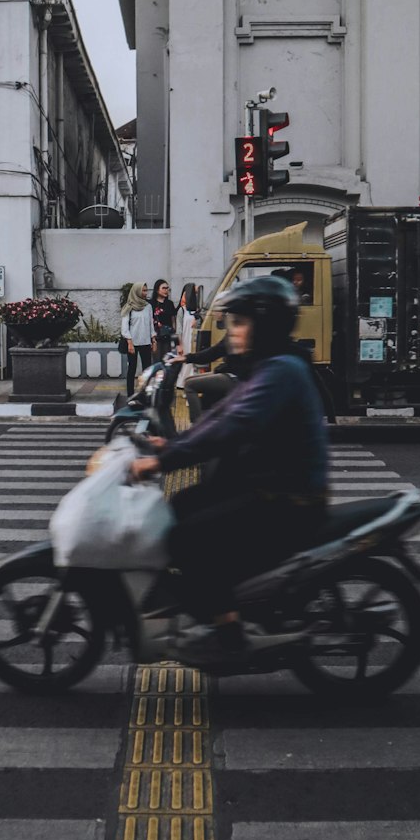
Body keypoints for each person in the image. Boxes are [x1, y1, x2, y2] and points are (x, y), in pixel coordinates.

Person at [131, 276, 328, 666]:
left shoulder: (281, 371)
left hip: (286, 499)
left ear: (265, 324)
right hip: (266, 485)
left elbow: (231, 427)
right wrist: (168, 446)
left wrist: (165, 460)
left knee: (191, 534)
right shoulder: (265, 365)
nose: (231, 331)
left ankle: (228, 632)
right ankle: (212, 603)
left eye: (239, 323)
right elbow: (220, 416)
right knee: (184, 503)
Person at [121, 281, 155, 396]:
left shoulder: (148, 306)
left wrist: (153, 340)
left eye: (146, 290)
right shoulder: (129, 307)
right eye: (143, 290)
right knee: (132, 370)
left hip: (146, 342)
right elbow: (125, 327)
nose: (146, 293)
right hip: (133, 344)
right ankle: (130, 394)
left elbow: (151, 324)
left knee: (147, 370)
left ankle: (146, 393)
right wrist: (129, 343)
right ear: (137, 291)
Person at [150, 279, 177, 360]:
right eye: (164, 288)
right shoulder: (151, 304)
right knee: (156, 360)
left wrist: (174, 333)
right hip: (155, 337)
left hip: (168, 337)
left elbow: (173, 320)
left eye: (167, 288)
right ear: (157, 290)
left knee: (167, 360)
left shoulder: (169, 304)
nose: (166, 290)